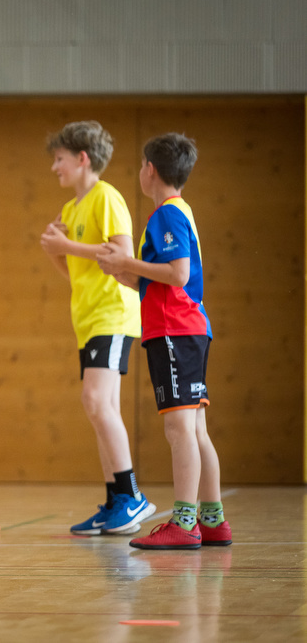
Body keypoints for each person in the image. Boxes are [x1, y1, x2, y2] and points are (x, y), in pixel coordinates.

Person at [97, 133, 232, 550]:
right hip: (185, 328)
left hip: (176, 330)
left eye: (141, 165)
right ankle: (213, 520)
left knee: (179, 429)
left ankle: (185, 522)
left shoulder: (167, 214)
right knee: (196, 429)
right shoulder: (177, 211)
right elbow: (162, 278)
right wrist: (123, 270)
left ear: (150, 170)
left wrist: (127, 262)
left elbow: (178, 273)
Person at [38, 120, 154, 535]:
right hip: (87, 319)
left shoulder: (106, 197)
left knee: (95, 400)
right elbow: (74, 271)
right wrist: (56, 249)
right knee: (101, 406)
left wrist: (66, 245)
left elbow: (122, 254)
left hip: (112, 313)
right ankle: (114, 502)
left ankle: (132, 496)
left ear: (82, 158)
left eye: (60, 159)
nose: (55, 167)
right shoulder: (72, 209)